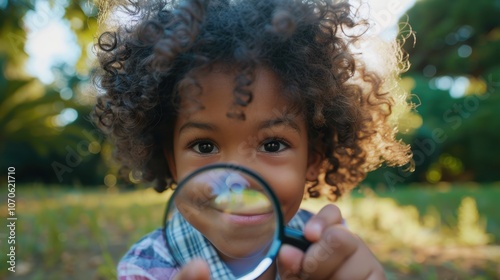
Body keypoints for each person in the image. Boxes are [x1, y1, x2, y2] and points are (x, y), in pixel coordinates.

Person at [92, 0, 413, 279]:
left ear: (313, 159)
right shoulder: (146, 268)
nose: (236, 179)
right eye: (205, 146)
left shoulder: (325, 254)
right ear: (172, 162)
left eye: (272, 145)